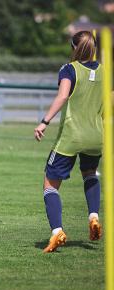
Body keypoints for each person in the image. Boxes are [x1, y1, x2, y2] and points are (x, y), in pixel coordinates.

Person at [34, 30, 103, 253]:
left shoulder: (69, 69)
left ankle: (57, 232)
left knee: (50, 184)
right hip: (96, 136)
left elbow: (63, 96)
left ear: (74, 48)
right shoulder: (105, 70)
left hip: (72, 136)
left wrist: (44, 121)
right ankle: (93, 216)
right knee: (90, 174)